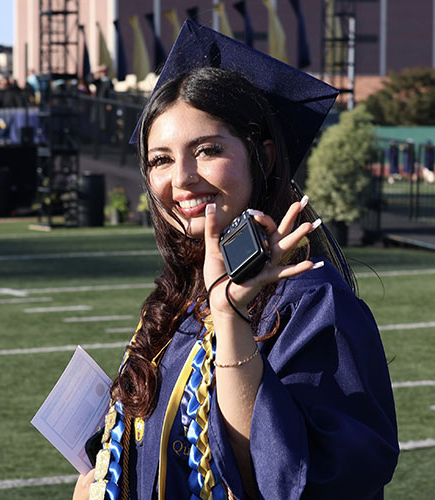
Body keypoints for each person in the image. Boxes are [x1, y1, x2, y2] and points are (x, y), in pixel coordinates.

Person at [73, 21, 398, 500]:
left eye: (207, 150)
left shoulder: (311, 301)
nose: (181, 179)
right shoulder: (179, 298)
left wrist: (230, 320)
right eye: (160, 159)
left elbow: (295, 481)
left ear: (263, 156)